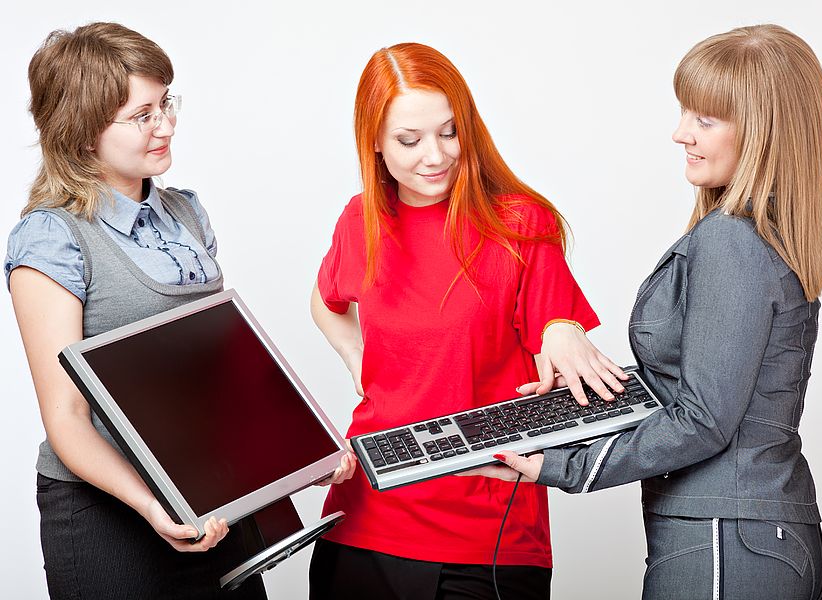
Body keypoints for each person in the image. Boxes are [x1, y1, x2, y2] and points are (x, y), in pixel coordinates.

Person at [469, 24, 822, 600]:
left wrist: (561, 465)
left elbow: (705, 420)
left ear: (763, 133)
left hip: (726, 538)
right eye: (685, 112)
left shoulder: (730, 242)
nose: (680, 133)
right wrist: (581, 404)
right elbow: (706, 392)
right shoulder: (763, 236)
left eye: (705, 120)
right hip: (751, 533)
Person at [308, 42, 627, 599]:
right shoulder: (361, 220)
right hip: (366, 518)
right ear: (375, 144)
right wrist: (357, 360)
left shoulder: (521, 223)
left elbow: (556, 321)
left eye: (449, 132)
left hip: (486, 532)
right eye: (409, 141)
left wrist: (561, 326)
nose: (435, 156)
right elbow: (324, 299)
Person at [5, 23, 269, 599]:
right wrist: (154, 504)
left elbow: (219, 367)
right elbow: (67, 418)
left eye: (165, 103)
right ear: (81, 130)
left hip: (208, 498)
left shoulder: (188, 214)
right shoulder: (52, 239)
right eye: (141, 115)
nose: (165, 125)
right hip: (108, 515)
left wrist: (300, 453)